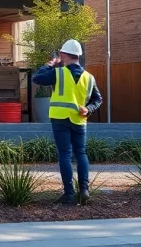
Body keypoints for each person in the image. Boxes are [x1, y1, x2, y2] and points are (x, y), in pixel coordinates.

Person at [31, 39, 103, 205]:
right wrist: (89, 109)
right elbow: (98, 99)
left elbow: (37, 78)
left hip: (60, 118)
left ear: (63, 55)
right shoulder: (89, 77)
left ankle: (69, 194)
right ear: (78, 56)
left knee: (65, 154)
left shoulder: (58, 73)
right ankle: (84, 190)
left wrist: (49, 64)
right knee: (81, 153)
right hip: (79, 120)